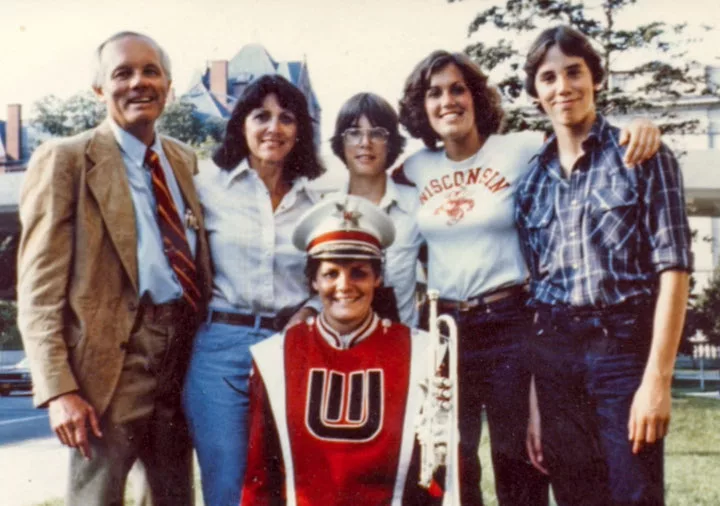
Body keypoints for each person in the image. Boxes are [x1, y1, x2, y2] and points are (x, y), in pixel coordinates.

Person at [395, 50, 663, 505]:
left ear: (476, 96)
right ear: (421, 106)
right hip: (444, 329)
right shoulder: (415, 167)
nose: (447, 101)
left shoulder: (520, 148)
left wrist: (639, 126)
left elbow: (581, 138)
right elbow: (367, 179)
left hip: (509, 322)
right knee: (444, 461)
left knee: (518, 459)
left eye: (458, 88)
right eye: (434, 93)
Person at [16, 31, 212, 506]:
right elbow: (38, 291)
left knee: (174, 497)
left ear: (168, 85)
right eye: (122, 73)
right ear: (99, 90)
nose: (138, 83)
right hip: (108, 369)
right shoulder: (66, 160)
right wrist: (59, 390)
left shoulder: (185, 161)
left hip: (180, 359)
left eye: (151, 71)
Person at [515, 25, 692, 506]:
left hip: (622, 350)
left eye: (574, 73)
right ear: (535, 93)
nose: (563, 87)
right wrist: (535, 405)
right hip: (554, 355)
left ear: (596, 79)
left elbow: (674, 271)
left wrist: (657, 381)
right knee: (574, 495)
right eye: (548, 78)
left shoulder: (643, 155)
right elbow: (536, 294)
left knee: (634, 493)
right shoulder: (531, 181)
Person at [241, 194, 458, 506]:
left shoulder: (422, 350)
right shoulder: (275, 356)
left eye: (359, 272)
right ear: (313, 281)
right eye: (330, 273)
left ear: (378, 278)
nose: (344, 285)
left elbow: (439, 474)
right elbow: (260, 474)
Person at [183, 74, 325, 506]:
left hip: (295, 345)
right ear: (241, 123)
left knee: (295, 481)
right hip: (221, 348)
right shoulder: (206, 187)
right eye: (261, 115)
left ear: (300, 129)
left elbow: (331, 274)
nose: (274, 128)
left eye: (287, 118)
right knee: (229, 483)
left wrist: (312, 307)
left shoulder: (318, 199)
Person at [330, 92, 423, 326]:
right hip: (340, 345)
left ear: (391, 143)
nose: (365, 143)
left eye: (377, 134)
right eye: (353, 133)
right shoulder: (326, 211)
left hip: (400, 344)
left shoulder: (417, 205)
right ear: (341, 143)